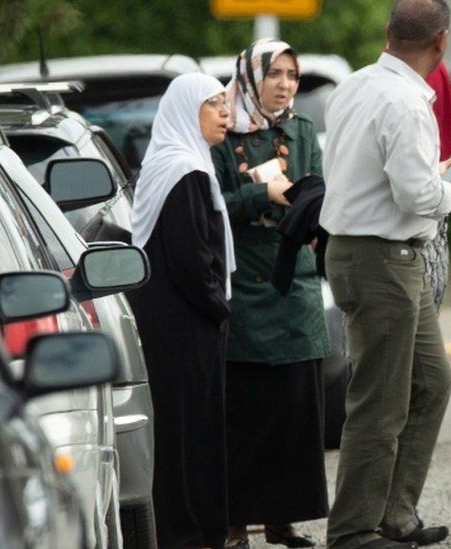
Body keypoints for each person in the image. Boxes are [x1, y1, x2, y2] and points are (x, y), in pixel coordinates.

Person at [318, 1, 451, 547]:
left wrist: (431, 179)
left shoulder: (355, 85)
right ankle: (353, 529)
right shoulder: (406, 103)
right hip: (382, 260)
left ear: (388, 33)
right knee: (380, 398)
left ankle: (394, 514)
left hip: (367, 251)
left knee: (430, 382)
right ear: (441, 42)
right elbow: (415, 195)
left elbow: (376, 175)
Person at [210, 39, 329, 549]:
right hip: (246, 280)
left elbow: (320, 186)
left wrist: (313, 208)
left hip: (295, 279)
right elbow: (213, 203)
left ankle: (284, 519)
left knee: (295, 410)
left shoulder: (301, 129)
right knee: (245, 411)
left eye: (292, 75)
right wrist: (264, 193)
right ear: (250, 76)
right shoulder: (222, 132)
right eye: (274, 73)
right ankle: (236, 522)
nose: (284, 84)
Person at [128, 73, 236, 549]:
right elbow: (191, 259)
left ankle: (195, 529)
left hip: (178, 320)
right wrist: (220, 307)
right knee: (186, 431)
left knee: (190, 427)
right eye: (214, 104)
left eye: (224, 103)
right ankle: (187, 534)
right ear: (186, 111)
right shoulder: (183, 171)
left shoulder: (178, 162)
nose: (225, 113)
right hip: (183, 324)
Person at [421, 60, 451, 310]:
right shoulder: (409, 96)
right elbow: (416, 190)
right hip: (413, 247)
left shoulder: (367, 85)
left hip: (425, 242)